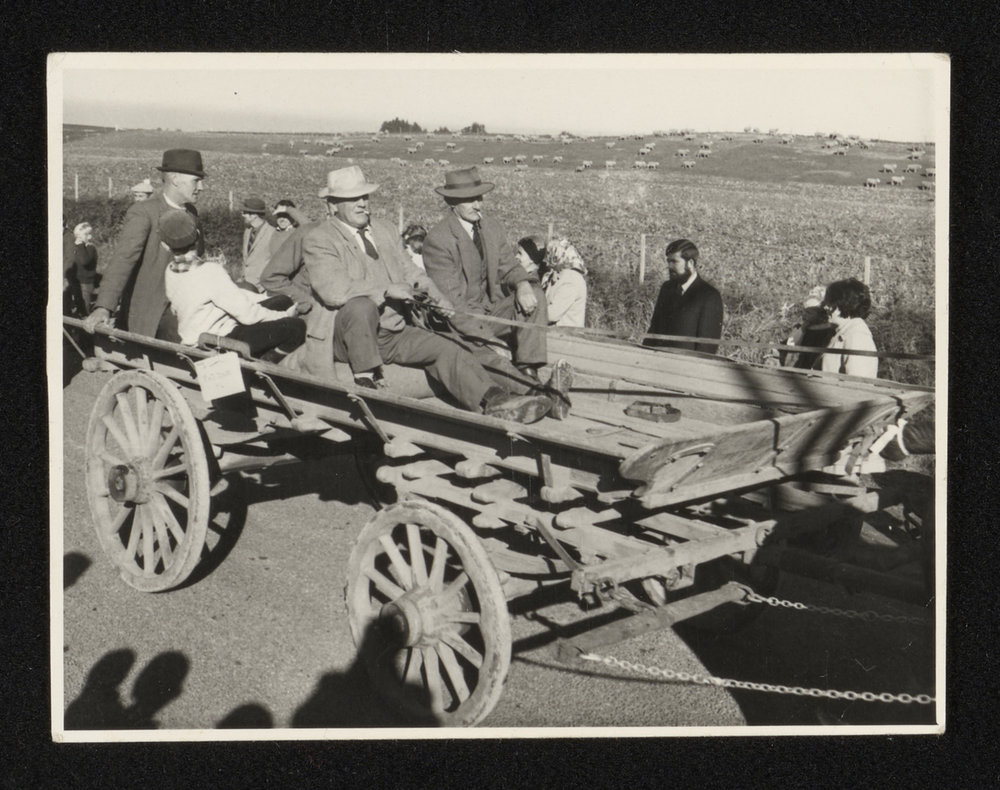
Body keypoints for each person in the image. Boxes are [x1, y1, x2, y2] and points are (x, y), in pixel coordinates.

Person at [299, 165, 556, 424]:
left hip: (392, 330)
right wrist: (385, 290)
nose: (363, 204)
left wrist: (440, 301)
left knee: (448, 348)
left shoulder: (384, 229)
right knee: (361, 307)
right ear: (332, 205)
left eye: (365, 197)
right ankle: (365, 378)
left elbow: (414, 273)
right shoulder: (319, 238)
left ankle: (496, 401)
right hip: (347, 336)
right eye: (353, 199)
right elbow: (333, 290)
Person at [422, 167, 549, 380]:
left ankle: (529, 369)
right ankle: (527, 386)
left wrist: (523, 284)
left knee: (535, 293)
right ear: (452, 202)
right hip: (461, 323)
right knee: (492, 363)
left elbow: (509, 266)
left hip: (491, 311)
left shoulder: (491, 227)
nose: (478, 204)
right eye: (469, 199)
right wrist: (488, 340)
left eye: (479, 197)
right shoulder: (438, 240)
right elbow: (453, 306)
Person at [83, 148, 207, 340]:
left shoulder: (192, 213)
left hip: (188, 306)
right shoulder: (144, 212)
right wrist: (103, 307)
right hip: (155, 315)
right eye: (196, 181)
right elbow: (123, 260)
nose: (201, 187)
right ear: (175, 179)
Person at [159, 209, 306, 362]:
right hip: (220, 341)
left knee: (282, 301)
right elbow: (247, 315)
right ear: (197, 234)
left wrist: (262, 298)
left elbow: (226, 295)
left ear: (165, 245)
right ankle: (265, 365)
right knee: (296, 327)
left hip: (195, 336)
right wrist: (284, 316)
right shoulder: (210, 271)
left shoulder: (170, 272)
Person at [643, 238, 723, 353]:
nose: (669, 266)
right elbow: (653, 330)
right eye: (668, 261)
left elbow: (707, 348)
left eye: (674, 261)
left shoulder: (709, 296)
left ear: (690, 263)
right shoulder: (667, 288)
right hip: (659, 363)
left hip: (686, 367)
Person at [819, 278, 879, 378]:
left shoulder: (857, 336)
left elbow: (857, 385)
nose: (825, 307)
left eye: (830, 302)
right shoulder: (842, 331)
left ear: (845, 304)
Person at [779, 285, 836, 369]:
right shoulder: (799, 328)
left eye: (811, 311)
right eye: (805, 311)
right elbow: (790, 345)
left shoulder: (829, 332)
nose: (805, 315)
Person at [542, 237, 588, 328]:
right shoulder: (560, 276)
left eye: (550, 253)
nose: (547, 259)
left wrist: (530, 316)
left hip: (564, 337)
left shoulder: (571, 279)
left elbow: (552, 314)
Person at [239, 196, 277, 291]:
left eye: (245, 213)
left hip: (263, 287)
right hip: (246, 285)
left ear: (254, 215)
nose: (242, 215)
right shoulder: (247, 231)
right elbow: (246, 260)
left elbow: (275, 262)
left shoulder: (272, 233)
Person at [63, 222, 99, 316]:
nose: (77, 239)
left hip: (86, 283)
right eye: (77, 236)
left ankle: (84, 326)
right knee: (78, 305)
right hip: (77, 282)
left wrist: (80, 246)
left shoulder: (90, 248)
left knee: (84, 308)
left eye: (80, 236)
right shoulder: (79, 248)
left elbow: (84, 261)